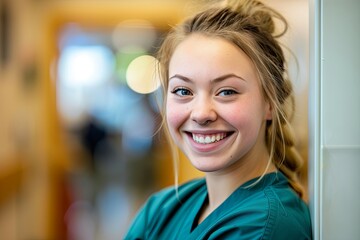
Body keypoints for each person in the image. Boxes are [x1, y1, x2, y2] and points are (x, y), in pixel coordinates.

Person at [124, 0, 312, 239]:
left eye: (226, 91)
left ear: (271, 103)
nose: (201, 114)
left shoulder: (263, 229)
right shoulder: (160, 210)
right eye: (183, 91)